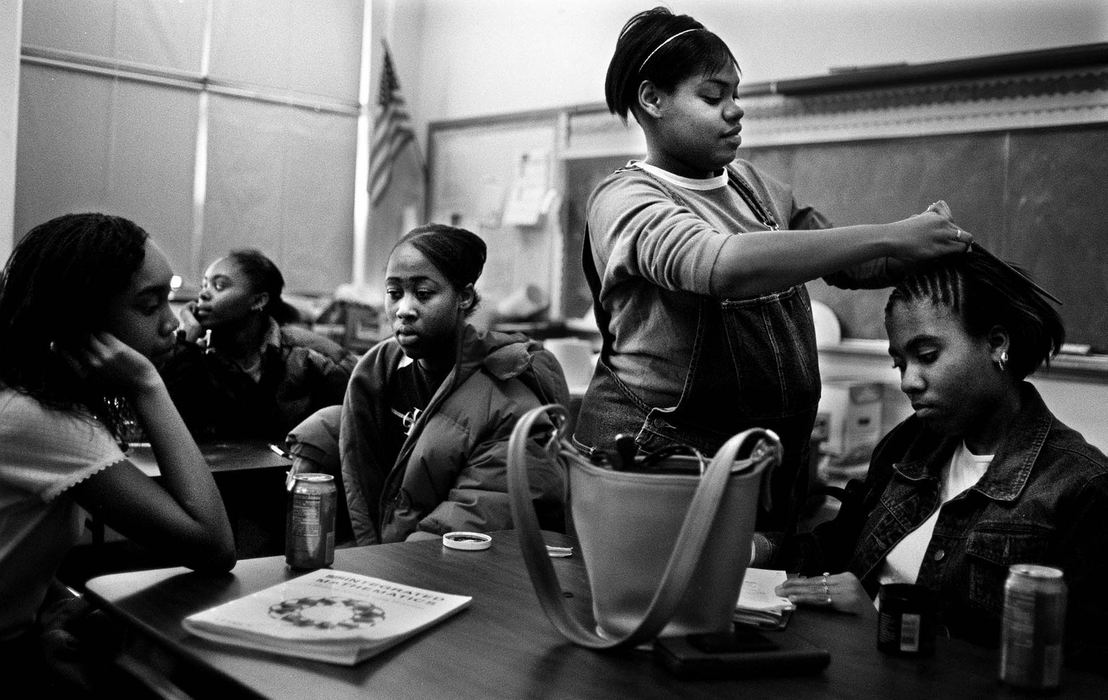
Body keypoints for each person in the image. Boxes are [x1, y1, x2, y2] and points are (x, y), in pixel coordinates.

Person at [573, 6, 972, 534]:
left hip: (764, 454)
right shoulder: (626, 199)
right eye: (713, 97)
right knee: (654, 602)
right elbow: (722, 265)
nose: (735, 111)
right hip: (658, 458)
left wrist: (926, 245)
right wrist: (893, 232)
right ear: (652, 100)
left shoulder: (753, 186)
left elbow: (851, 261)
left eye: (736, 96)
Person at [770, 249, 1108, 670]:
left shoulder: (1081, 486)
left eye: (927, 356)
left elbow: (1078, 668)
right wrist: (758, 553)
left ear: (997, 345)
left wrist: (880, 622)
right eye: (900, 363)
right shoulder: (911, 443)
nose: (909, 381)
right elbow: (839, 542)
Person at [0, 213, 236, 689]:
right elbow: (213, 543)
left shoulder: (26, 397)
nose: (174, 323)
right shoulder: (35, 419)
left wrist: (47, 604)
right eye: (150, 305)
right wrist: (148, 384)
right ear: (82, 321)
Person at [339, 224, 568, 544]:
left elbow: (482, 506)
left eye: (423, 294)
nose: (403, 310)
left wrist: (388, 559)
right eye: (394, 293)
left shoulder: (507, 397)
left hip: (456, 565)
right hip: (391, 556)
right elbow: (354, 432)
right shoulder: (380, 372)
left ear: (464, 296)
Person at [161, 248, 357, 442]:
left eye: (219, 286)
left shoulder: (312, 357)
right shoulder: (196, 355)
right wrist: (186, 341)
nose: (203, 294)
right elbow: (168, 427)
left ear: (258, 300)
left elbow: (358, 422)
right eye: (204, 285)